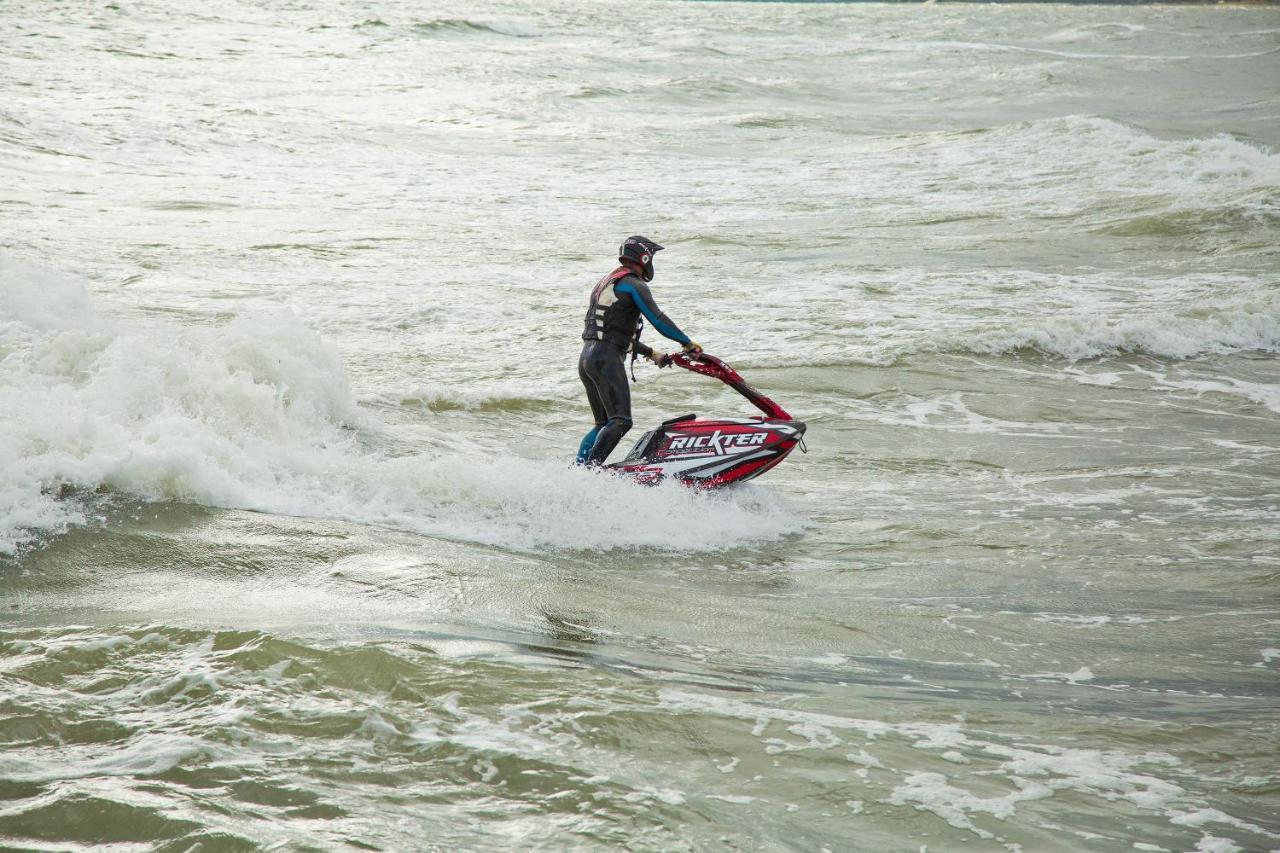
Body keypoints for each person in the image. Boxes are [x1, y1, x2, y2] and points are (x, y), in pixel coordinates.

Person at [576, 236, 702, 466]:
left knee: (603, 423)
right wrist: (687, 343)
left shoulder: (606, 283)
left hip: (587, 358)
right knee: (621, 420)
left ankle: (578, 469)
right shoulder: (634, 284)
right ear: (644, 257)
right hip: (606, 358)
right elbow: (658, 318)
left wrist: (652, 353)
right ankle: (589, 473)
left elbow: (613, 331)